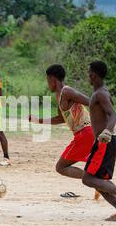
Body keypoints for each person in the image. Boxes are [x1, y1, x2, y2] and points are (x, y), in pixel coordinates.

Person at [29, 64, 96, 197]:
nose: (48, 83)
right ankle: (98, 182)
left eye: (48, 80)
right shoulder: (60, 96)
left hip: (85, 132)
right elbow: (61, 118)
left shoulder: (67, 91)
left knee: (61, 167)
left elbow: (92, 102)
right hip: (83, 134)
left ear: (52, 79)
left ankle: (97, 181)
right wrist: (38, 120)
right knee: (66, 166)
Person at [83, 61, 116, 222]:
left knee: (88, 179)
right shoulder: (100, 92)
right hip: (106, 142)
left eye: (89, 74)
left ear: (94, 75)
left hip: (105, 142)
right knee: (100, 182)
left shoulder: (100, 94)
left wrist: (107, 132)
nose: (88, 77)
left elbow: (113, 115)